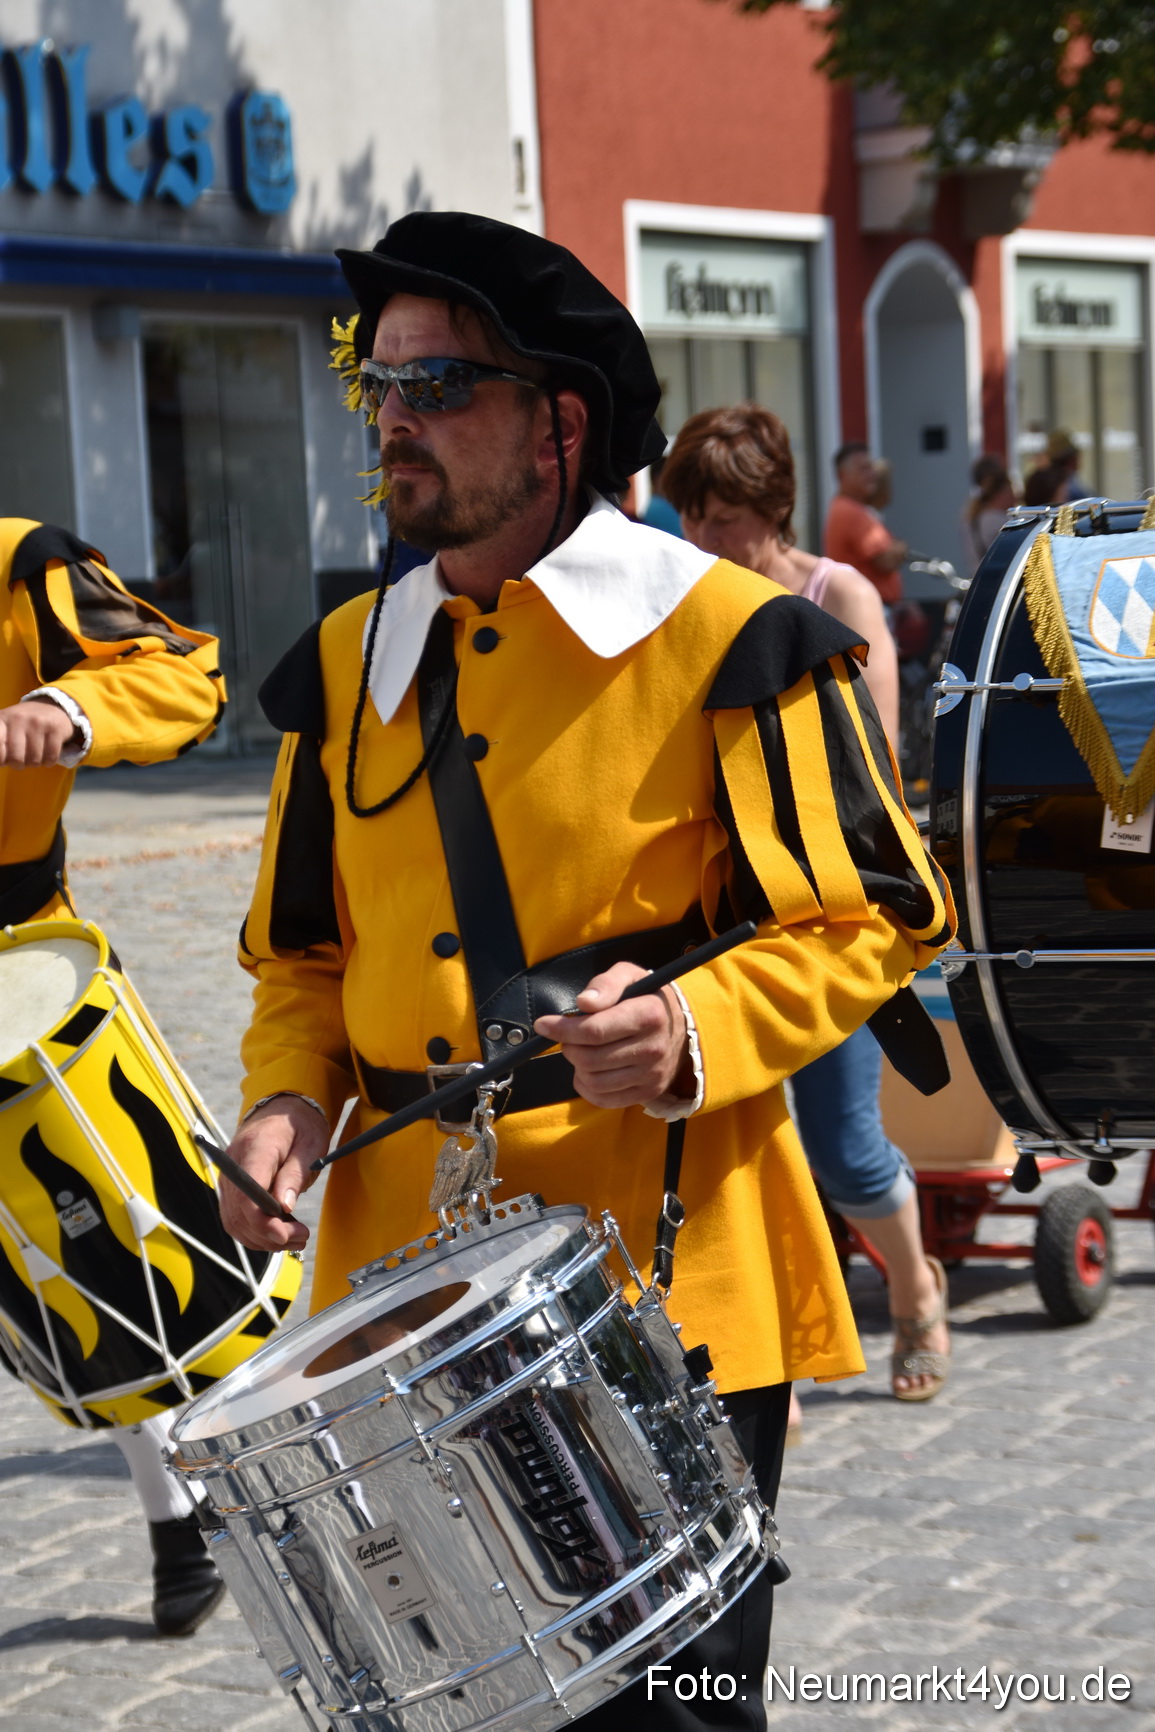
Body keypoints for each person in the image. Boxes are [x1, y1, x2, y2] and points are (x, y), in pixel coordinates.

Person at [218, 211, 954, 1732]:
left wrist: (696, 1021)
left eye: (437, 387)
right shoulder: (349, 663)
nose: (392, 420)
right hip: (395, 1298)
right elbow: (302, 957)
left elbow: (879, 910)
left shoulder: (733, 638)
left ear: (556, 424)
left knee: (667, 1716)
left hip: (657, 1282)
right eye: (381, 385)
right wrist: (287, 1099)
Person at [662, 405, 950, 1408]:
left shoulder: (839, 596)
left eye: (725, 517)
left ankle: (915, 1286)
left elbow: (865, 775)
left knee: (841, 1146)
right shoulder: (684, 600)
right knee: (736, 1152)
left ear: (772, 510)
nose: (706, 541)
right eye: (692, 517)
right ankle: (764, 1351)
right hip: (718, 916)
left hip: (825, 908)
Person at [0, 516, 229, 1637]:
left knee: (108, 1254)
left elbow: (182, 673)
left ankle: (179, 1522)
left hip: (15, 981)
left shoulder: (21, 565)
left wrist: (68, 706)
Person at [824, 441, 907, 605]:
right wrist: (902, 548)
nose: (871, 475)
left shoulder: (850, 507)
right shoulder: (851, 512)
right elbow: (886, 561)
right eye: (863, 469)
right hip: (869, 606)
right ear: (842, 475)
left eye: (871, 468)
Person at [963, 454, 1017, 575]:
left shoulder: (970, 513)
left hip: (978, 578)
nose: (1015, 497)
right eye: (1011, 492)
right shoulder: (998, 520)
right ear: (1002, 493)